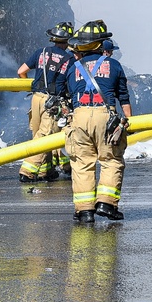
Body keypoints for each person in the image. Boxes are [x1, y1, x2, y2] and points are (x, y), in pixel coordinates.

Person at [55, 20, 133, 223]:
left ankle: (85, 210)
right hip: (106, 117)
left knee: (82, 163)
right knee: (110, 160)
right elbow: (123, 96)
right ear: (100, 44)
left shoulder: (73, 67)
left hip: (79, 116)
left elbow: (61, 91)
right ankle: (106, 204)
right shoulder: (114, 65)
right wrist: (128, 122)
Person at [17, 21, 74, 183]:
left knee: (37, 132)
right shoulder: (69, 59)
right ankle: (27, 170)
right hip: (54, 101)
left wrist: (29, 85)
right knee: (46, 135)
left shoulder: (41, 52)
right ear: (68, 40)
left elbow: (21, 71)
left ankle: (46, 170)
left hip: (36, 98)